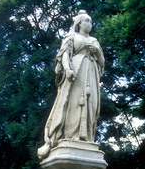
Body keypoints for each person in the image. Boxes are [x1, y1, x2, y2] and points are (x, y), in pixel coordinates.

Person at [38, 10, 105, 160]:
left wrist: (98, 53)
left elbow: (102, 62)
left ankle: (86, 136)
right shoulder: (71, 36)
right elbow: (64, 55)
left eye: (91, 22)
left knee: (91, 104)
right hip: (76, 72)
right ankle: (70, 134)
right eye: (86, 21)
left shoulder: (94, 40)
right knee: (74, 102)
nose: (89, 24)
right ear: (79, 23)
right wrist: (68, 69)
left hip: (92, 74)